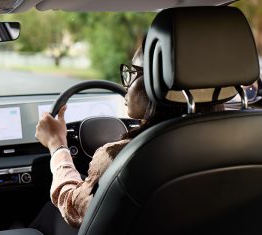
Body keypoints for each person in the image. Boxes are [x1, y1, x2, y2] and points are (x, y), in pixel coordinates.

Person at [34, 38, 223, 230]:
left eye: (132, 73)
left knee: (49, 213)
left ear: (157, 84)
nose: (125, 84)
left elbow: (74, 209)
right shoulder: (239, 139)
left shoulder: (119, 155)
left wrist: (57, 145)